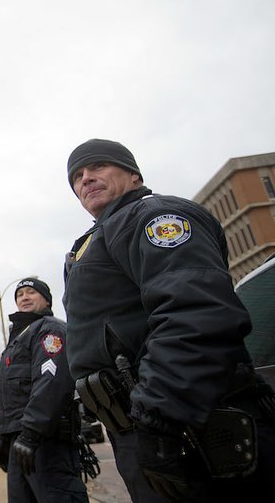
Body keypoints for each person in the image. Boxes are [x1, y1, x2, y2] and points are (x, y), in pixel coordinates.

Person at [63, 139, 275, 502]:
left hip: (188, 428)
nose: (86, 179)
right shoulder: (98, 238)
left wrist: (160, 416)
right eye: (77, 176)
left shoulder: (151, 216)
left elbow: (197, 314)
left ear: (133, 175)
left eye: (98, 167)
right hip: (145, 428)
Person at [0, 277, 88, 502]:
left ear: (46, 299)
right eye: (19, 294)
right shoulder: (18, 339)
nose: (24, 297)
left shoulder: (50, 330)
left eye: (31, 292)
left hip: (46, 442)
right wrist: (5, 438)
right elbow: (14, 396)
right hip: (22, 442)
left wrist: (30, 434)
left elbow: (51, 384)